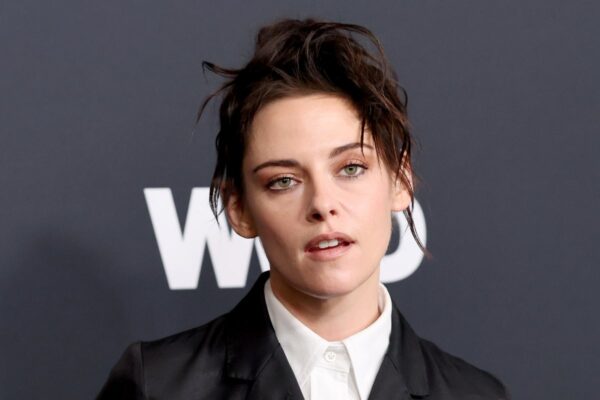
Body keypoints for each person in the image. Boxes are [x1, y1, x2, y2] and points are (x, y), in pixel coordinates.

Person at [97, 18, 510, 400]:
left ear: (400, 181)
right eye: (284, 181)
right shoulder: (159, 386)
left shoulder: (476, 395)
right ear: (239, 208)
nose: (322, 205)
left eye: (351, 168)